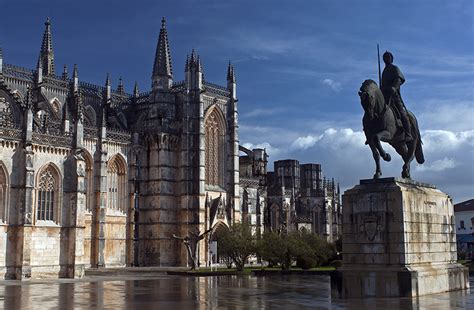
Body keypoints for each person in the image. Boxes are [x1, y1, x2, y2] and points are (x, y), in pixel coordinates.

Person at [381, 51, 412, 141]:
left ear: (391, 58)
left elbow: (398, 79)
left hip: (394, 95)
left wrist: (394, 87)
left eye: (388, 57)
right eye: (385, 57)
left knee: (401, 112)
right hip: (384, 96)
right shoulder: (384, 71)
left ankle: (408, 133)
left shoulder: (394, 68)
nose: (386, 58)